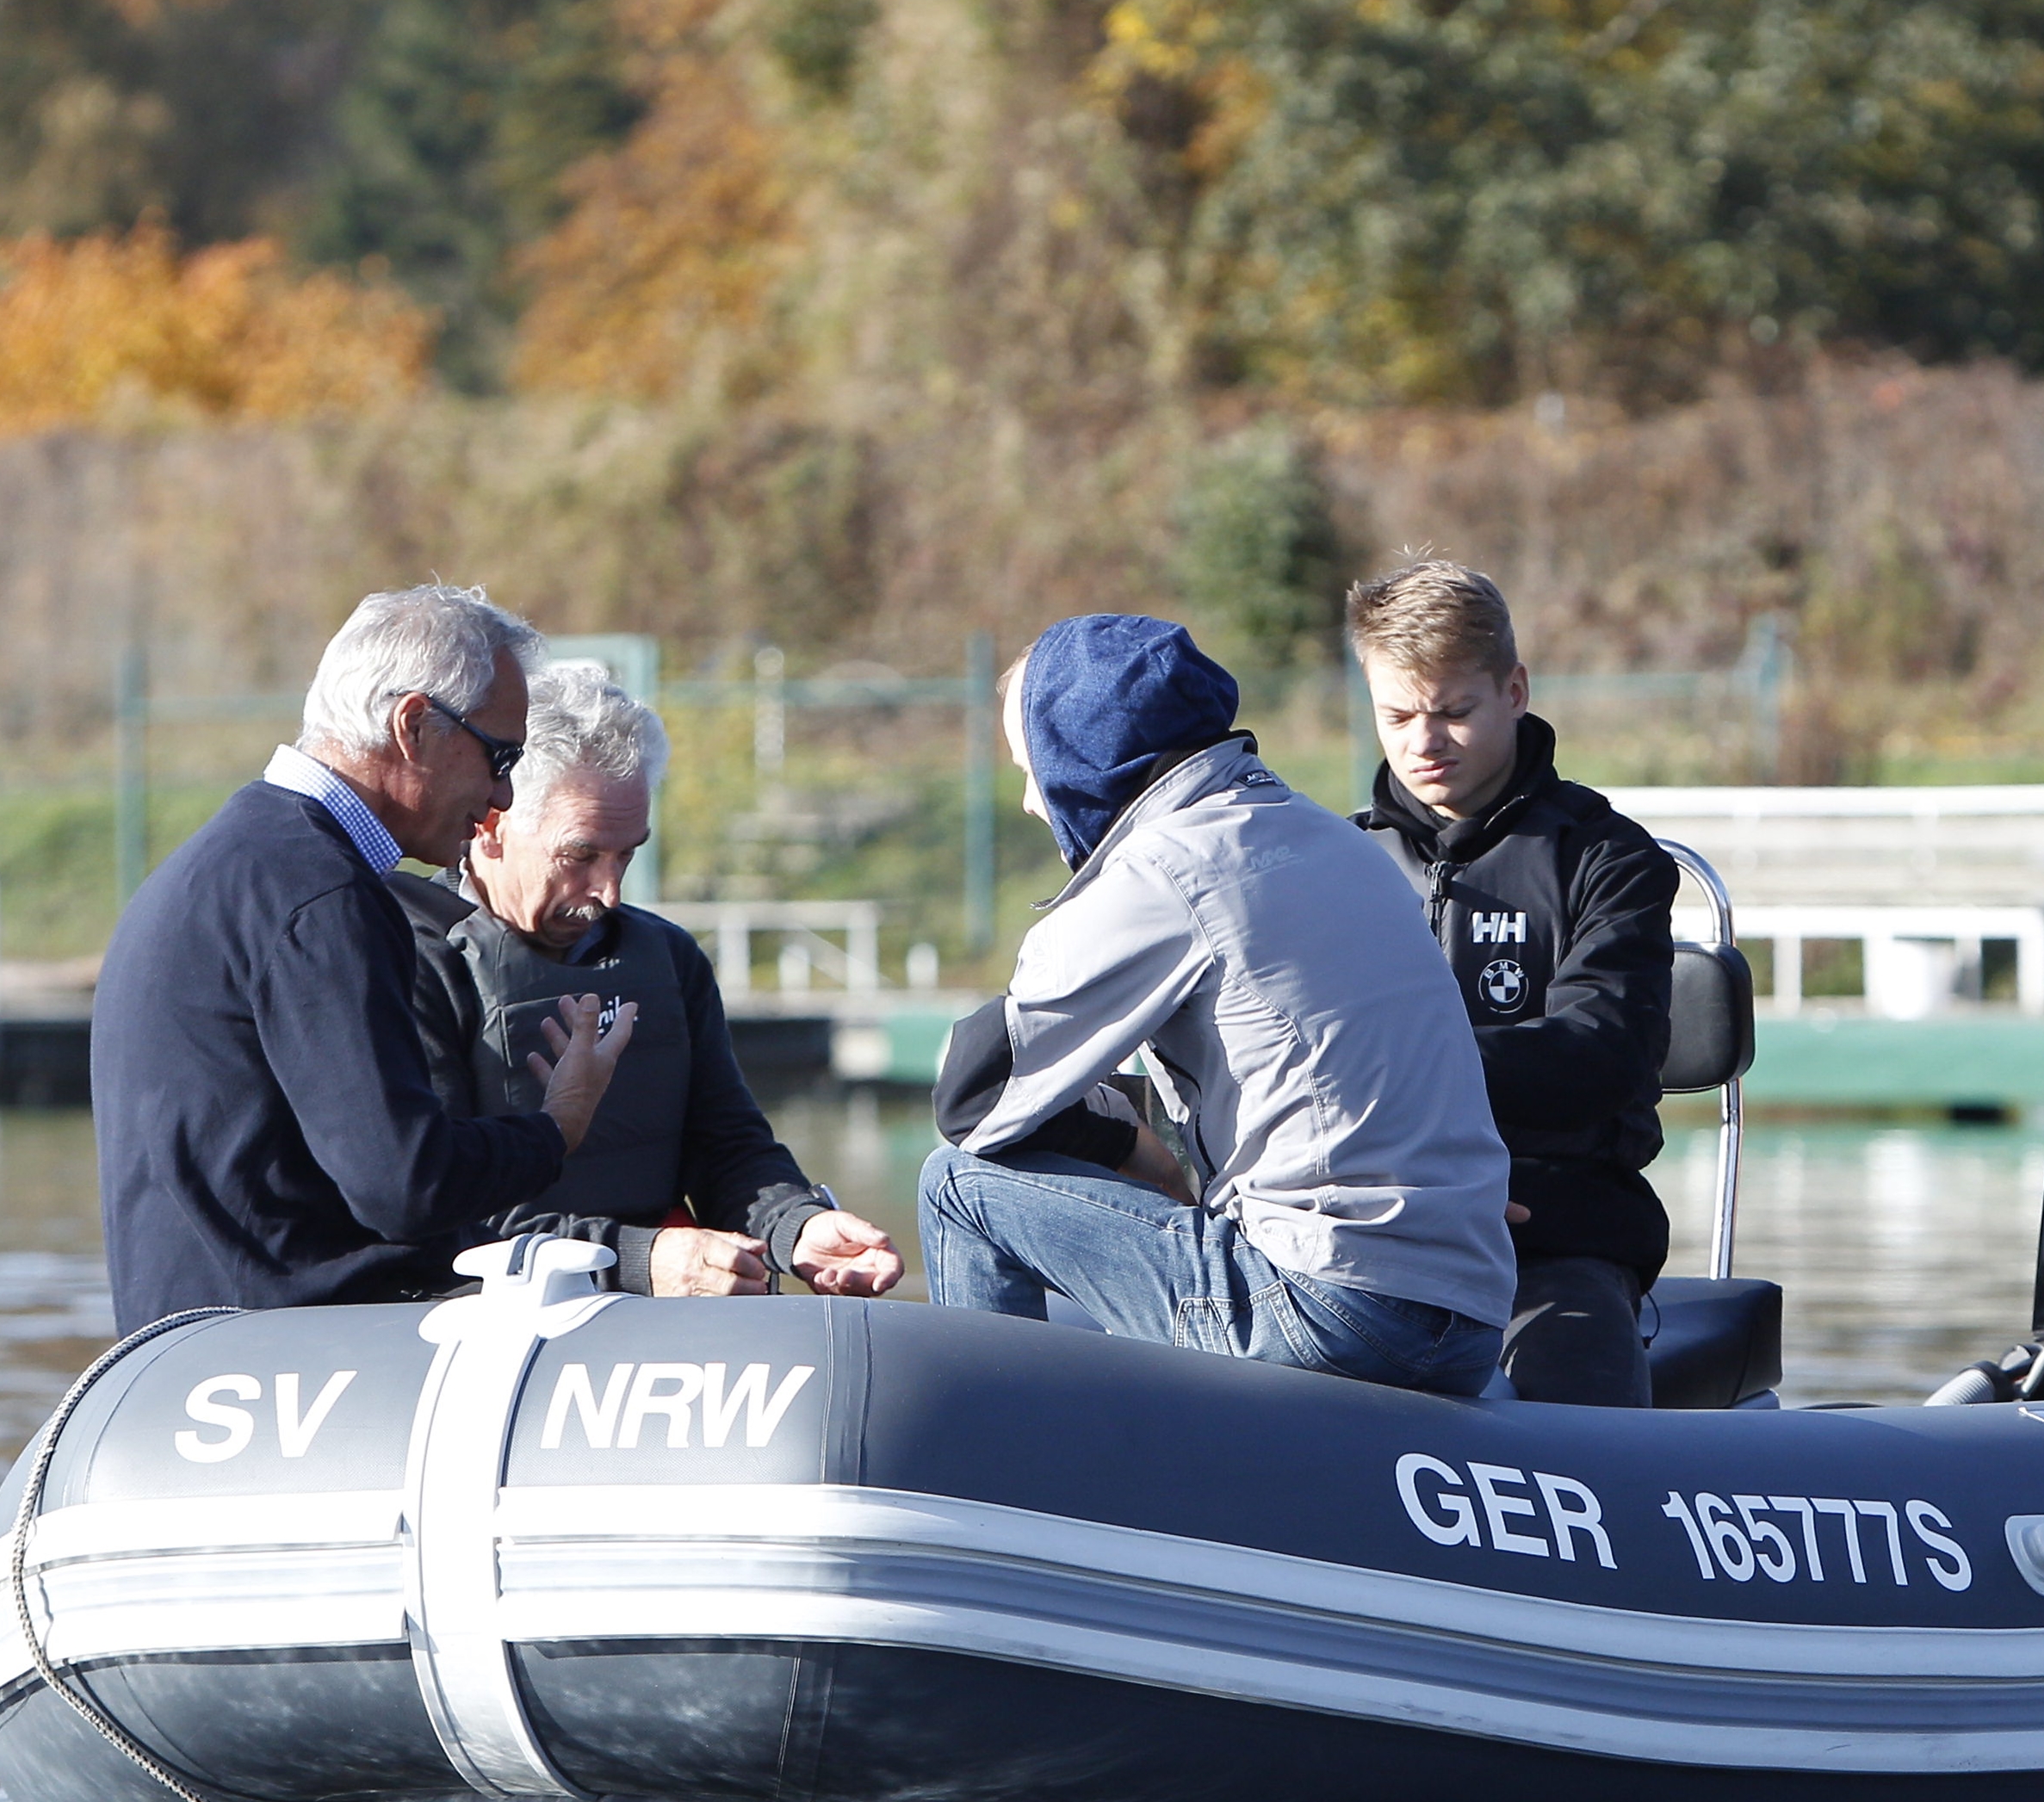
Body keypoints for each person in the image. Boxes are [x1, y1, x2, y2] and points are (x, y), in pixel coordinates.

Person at [918, 615, 1514, 1395]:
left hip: (1323, 1308)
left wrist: (1130, 1148)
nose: (1032, 801)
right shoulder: (1334, 839)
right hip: (1468, 1324)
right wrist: (1133, 1131)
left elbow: (977, 1097)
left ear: (1086, 756)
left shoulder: (1160, 867)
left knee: (954, 1185)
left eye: (1033, 766)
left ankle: (998, 1463)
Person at [93, 583, 629, 1328]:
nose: (503, 794)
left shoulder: (231, 858)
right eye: (500, 755)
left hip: (189, 1363)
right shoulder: (322, 895)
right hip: (284, 1368)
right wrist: (556, 1126)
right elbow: (404, 1186)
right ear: (415, 726)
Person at [394, 659, 902, 1298]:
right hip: (497, 1328)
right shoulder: (408, 963)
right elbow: (429, 1211)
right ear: (492, 823)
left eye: (627, 853)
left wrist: (796, 1226)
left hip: (661, 1300)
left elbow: (727, 1146)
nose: (608, 892)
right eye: (580, 856)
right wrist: (635, 1260)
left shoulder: (666, 957)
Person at [1348, 560, 1679, 1405]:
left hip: (1555, 1238)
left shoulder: (1609, 859)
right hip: (1368, 1227)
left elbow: (1602, 1052)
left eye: (1455, 711)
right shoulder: (1335, 866)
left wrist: (1404, 1082)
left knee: (1578, 1404)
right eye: (1397, 714)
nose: (1425, 741)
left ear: (1515, 689)